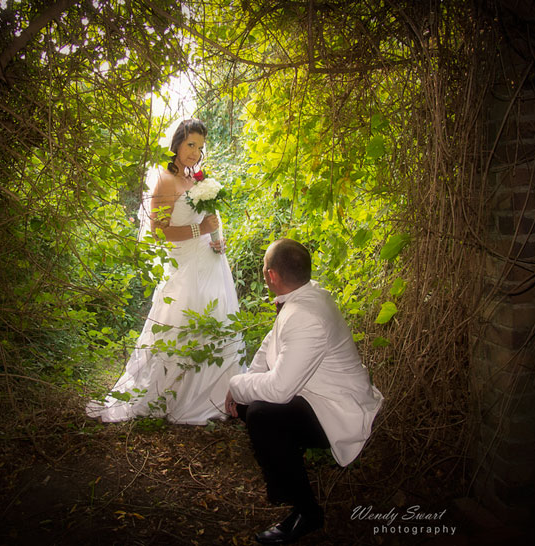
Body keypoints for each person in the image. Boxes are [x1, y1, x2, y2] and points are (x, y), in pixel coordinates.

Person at [225, 238, 383, 544]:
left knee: (261, 414)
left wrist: (235, 385)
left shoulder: (305, 315)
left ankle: (307, 512)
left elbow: (280, 390)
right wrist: (246, 380)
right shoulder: (307, 294)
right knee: (250, 403)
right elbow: (270, 343)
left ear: (271, 275)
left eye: (264, 268)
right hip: (314, 395)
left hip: (339, 411)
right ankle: (284, 472)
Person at [87, 119, 244, 425]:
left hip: (210, 264)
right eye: (190, 145)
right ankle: (176, 394)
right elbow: (158, 232)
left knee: (215, 321)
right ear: (176, 144)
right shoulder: (165, 180)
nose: (195, 153)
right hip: (184, 268)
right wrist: (201, 230)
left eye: (200, 147)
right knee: (182, 324)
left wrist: (216, 239)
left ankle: (219, 393)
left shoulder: (195, 178)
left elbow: (208, 219)